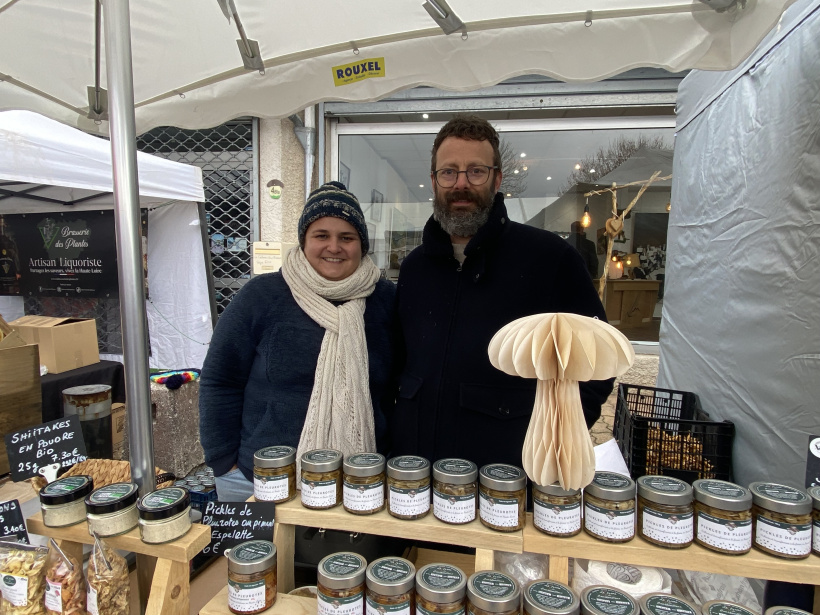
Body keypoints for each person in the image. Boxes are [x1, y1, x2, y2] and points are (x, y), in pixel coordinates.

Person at [391, 115, 615, 471]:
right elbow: (399, 362)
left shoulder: (550, 259)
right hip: (415, 470)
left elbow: (595, 363)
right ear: (434, 182)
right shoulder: (415, 267)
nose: (460, 184)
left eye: (475, 171)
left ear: (496, 179)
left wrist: (555, 437)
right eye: (448, 172)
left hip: (506, 474)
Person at [199, 181, 396, 502]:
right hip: (260, 478)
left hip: (364, 477)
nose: (334, 247)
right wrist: (224, 462)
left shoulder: (385, 300)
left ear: (362, 245)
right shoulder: (261, 295)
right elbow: (220, 379)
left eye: (347, 237)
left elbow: (398, 385)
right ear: (304, 240)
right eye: (321, 236)